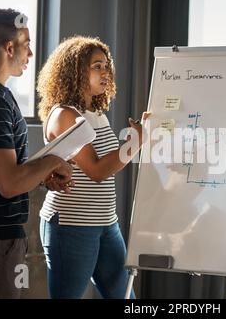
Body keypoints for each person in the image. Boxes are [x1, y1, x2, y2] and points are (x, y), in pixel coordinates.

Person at [0, 8, 73, 299]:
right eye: (27, 44)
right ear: (9, 48)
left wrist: (43, 175)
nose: (31, 54)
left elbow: (11, 171)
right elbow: (8, 184)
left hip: (3, 235)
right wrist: (52, 161)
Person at [37, 36, 150, 299]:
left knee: (126, 299)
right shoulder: (65, 115)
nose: (105, 72)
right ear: (75, 71)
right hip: (71, 225)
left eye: (106, 66)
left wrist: (134, 143)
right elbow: (97, 170)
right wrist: (136, 142)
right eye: (97, 66)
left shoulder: (95, 113)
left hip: (105, 223)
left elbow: (108, 162)